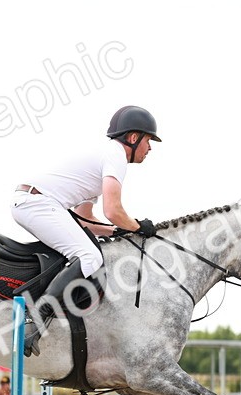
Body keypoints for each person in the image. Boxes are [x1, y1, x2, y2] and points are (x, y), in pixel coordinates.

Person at [11, 105, 161, 357]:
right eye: (148, 140)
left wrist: (115, 231)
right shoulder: (115, 156)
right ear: (133, 138)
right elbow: (113, 210)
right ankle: (34, 319)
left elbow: (84, 219)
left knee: (88, 249)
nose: (150, 148)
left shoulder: (106, 155)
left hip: (34, 202)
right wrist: (138, 227)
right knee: (90, 257)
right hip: (38, 204)